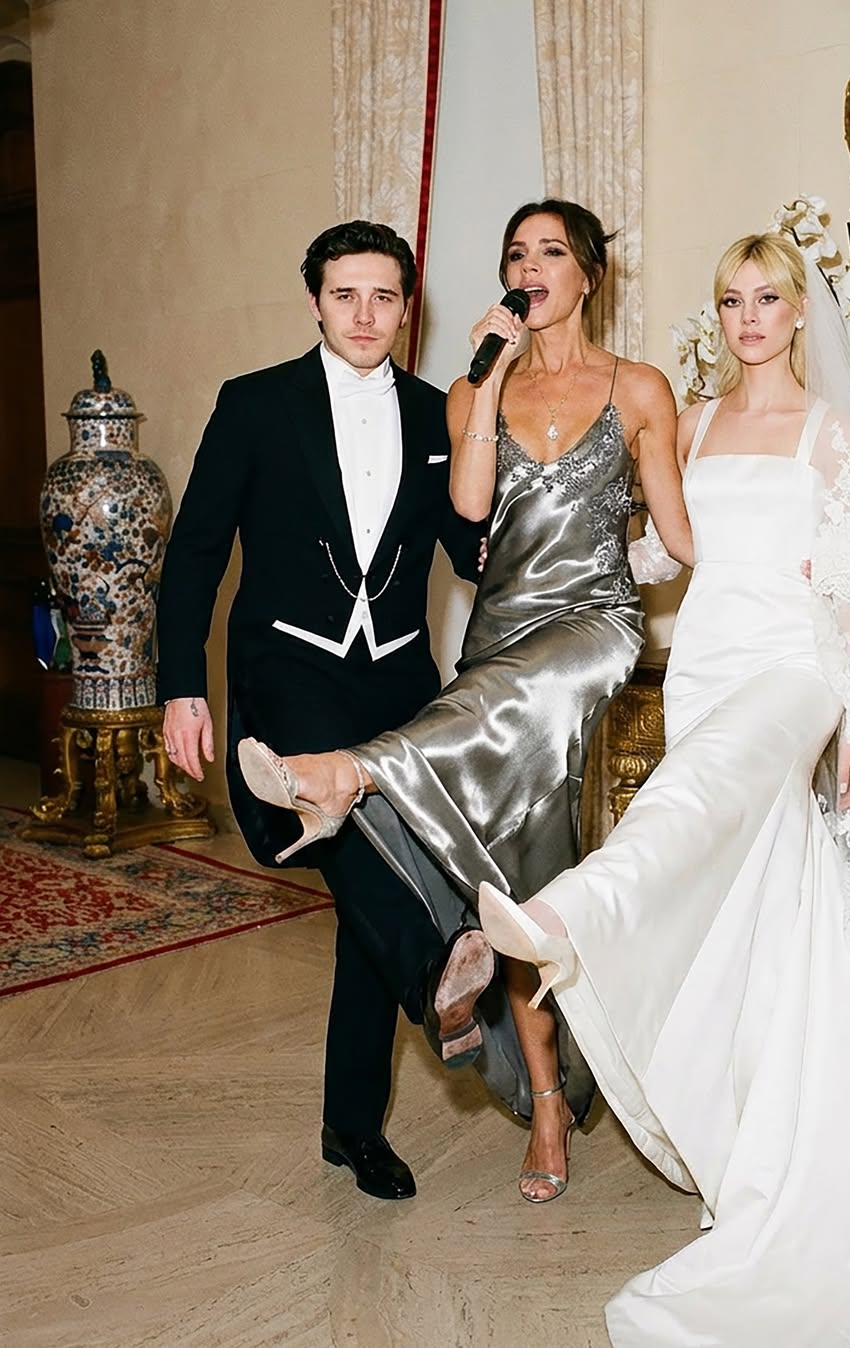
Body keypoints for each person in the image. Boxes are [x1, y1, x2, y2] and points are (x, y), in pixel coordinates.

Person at [478, 233, 850, 1343]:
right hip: (705, 666)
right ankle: (777, 1145)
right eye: (731, 300)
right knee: (760, 910)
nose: (748, 316)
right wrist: (567, 551)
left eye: (767, 298)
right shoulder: (695, 420)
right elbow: (666, 550)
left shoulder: (830, 431)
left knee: (699, 794)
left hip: (794, 671)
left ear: (801, 313)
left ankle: (569, 912)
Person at [237, 198, 694, 1204]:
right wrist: (486, 381)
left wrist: (768, 569)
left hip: (589, 629)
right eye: (516, 254)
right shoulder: (468, 388)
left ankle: (353, 772)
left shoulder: (640, 386)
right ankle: (548, 1099)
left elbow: (680, 534)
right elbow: (472, 507)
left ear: (588, 274)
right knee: (516, 882)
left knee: (470, 779)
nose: (530, 268)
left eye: (551, 252)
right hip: (500, 646)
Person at [155, 219, 493, 1203]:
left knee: (371, 891)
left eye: (384, 296)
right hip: (289, 671)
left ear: (407, 307)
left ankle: (352, 1125)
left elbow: (468, 552)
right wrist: (181, 684)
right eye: (346, 294)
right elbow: (197, 550)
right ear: (315, 300)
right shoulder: (256, 404)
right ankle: (438, 971)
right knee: (344, 830)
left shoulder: (435, 414)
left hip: (396, 677)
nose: (364, 314)